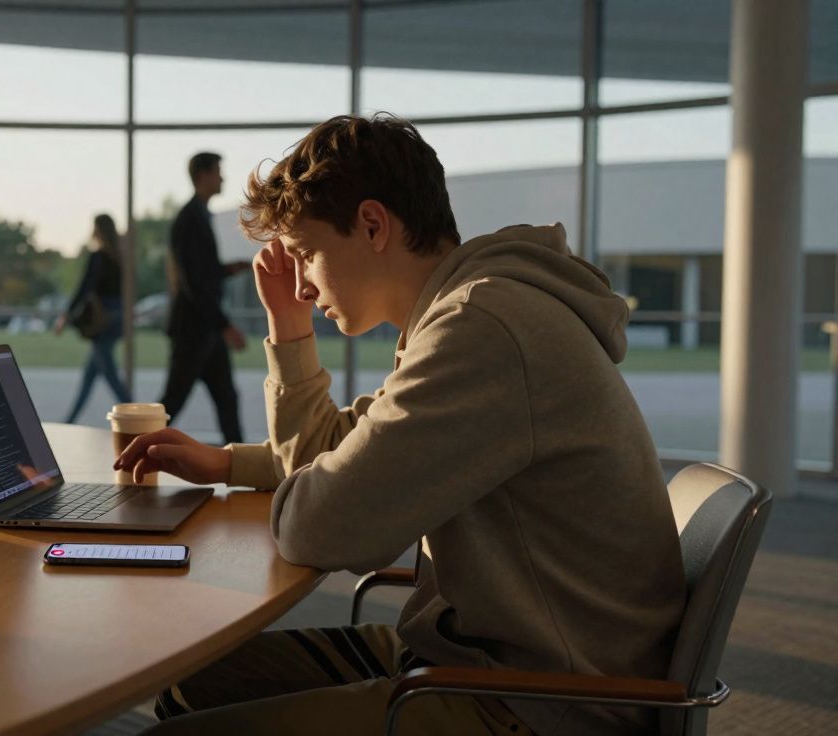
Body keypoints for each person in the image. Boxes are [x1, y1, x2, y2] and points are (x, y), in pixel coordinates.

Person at [115, 114, 685, 736]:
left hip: (536, 698)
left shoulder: (484, 328)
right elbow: (346, 449)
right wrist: (237, 445)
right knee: (195, 685)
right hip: (480, 654)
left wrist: (300, 484)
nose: (301, 284)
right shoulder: (466, 310)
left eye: (306, 254)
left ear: (372, 225)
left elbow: (324, 529)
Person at [159, 152, 249, 444]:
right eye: (218, 172)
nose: (222, 178)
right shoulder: (190, 219)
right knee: (172, 402)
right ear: (203, 175)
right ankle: (137, 451)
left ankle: (243, 468)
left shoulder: (199, 216)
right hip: (194, 330)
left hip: (204, 329)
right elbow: (195, 282)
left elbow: (201, 273)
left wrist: (227, 269)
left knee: (226, 399)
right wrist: (225, 325)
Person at [54, 213, 132, 422]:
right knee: (90, 376)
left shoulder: (99, 257)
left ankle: (139, 419)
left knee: (111, 377)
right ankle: (69, 421)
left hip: (102, 321)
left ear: (99, 230)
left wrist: (65, 315)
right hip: (116, 319)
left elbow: (84, 287)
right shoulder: (120, 257)